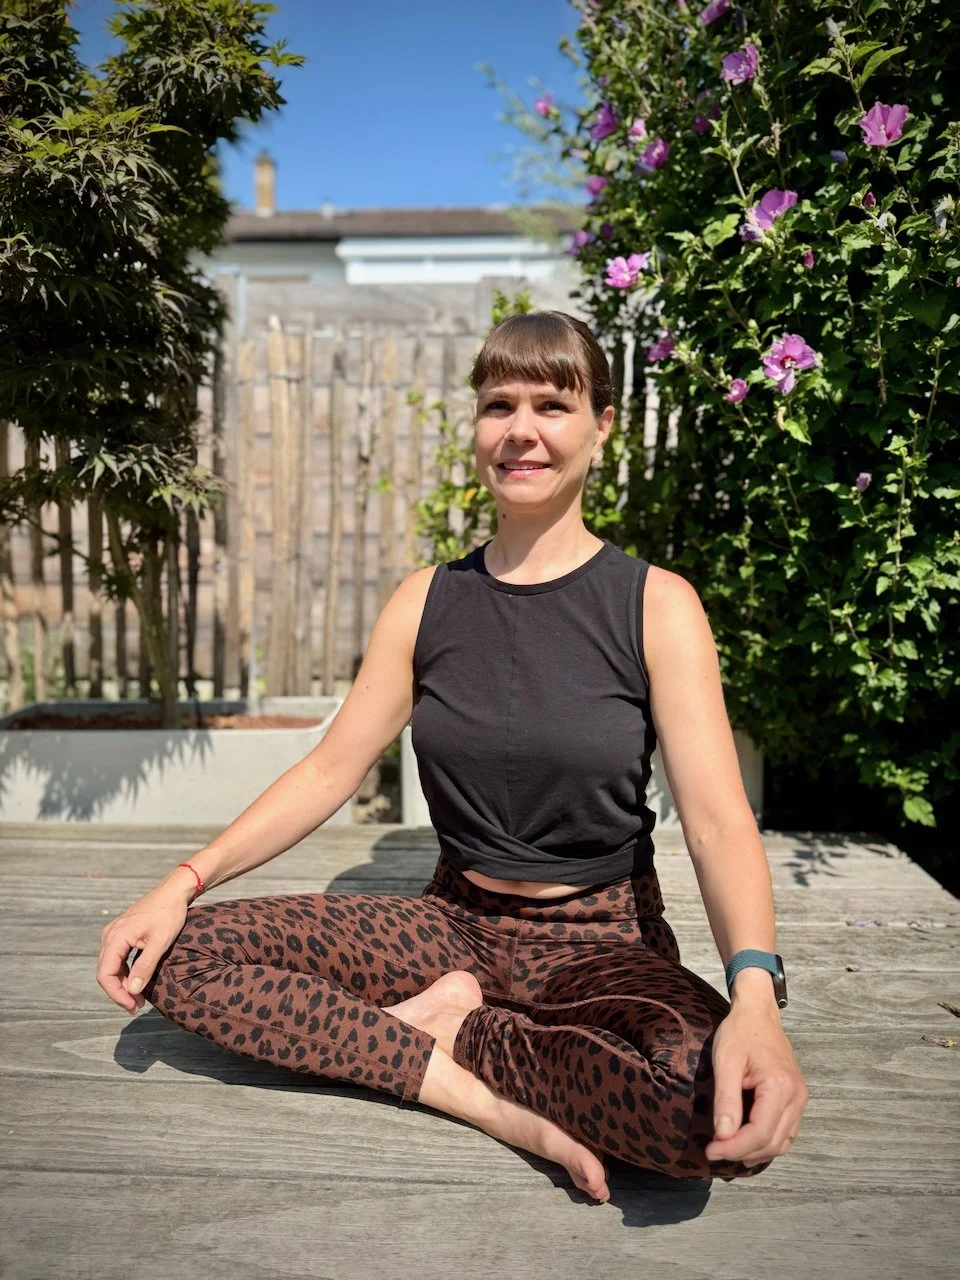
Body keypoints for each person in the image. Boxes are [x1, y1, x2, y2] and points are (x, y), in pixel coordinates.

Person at [97, 310, 809, 1203]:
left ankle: (457, 1031)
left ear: (602, 427)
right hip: (452, 927)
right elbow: (329, 770)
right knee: (183, 960)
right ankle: (480, 1090)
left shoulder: (656, 606)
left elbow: (714, 821)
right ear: (476, 426)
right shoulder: (426, 601)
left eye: (553, 405)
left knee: (709, 1114)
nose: (521, 431)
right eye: (498, 404)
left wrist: (755, 999)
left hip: (599, 938)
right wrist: (182, 882)